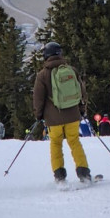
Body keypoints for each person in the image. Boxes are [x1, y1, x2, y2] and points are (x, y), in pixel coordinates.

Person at [32, 41, 91, 184]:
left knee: (56, 144)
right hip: (73, 115)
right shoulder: (72, 70)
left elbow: (38, 97)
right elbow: (81, 92)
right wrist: (82, 110)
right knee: (75, 142)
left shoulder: (43, 75)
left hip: (53, 119)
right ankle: (83, 173)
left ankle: (59, 176)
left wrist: (38, 115)